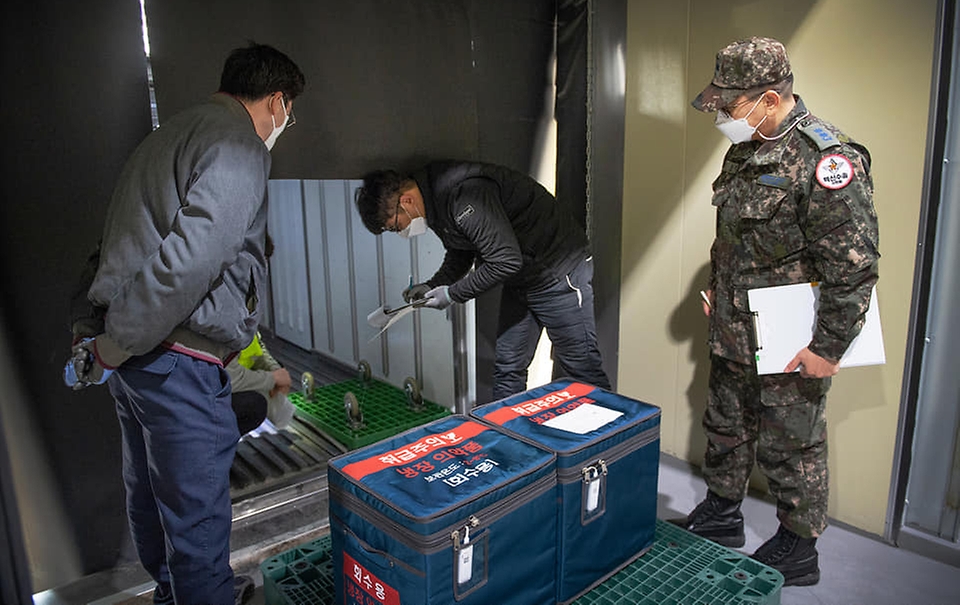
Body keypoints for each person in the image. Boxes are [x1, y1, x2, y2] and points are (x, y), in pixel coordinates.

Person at [64, 42, 304, 604]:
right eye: (288, 111)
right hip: (176, 356)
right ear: (276, 102)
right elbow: (195, 258)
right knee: (196, 519)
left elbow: (112, 247)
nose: (285, 123)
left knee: (150, 494)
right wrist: (119, 340)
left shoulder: (167, 135)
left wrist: (107, 342)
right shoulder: (238, 145)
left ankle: (176, 595)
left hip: (139, 361)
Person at [673, 37, 880, 587]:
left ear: (769, 98)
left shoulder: (827, 160)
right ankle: (722, 514)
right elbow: (733, 239)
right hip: (734, 326)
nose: (720, 112)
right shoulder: (745, 150)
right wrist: (718, 289)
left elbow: (852, 267)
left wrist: (828, 349)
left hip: (792, 334)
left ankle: (797, 547)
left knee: (792, 441)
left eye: (730, 103)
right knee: (727, 424)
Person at [354, 160, 610, 400]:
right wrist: (432, 285)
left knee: (582, 370)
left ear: (406, 201)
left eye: (396, 227)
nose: (402, 233)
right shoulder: (434, 201)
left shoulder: (465, 195)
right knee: (508, 367)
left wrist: (452, 294)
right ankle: (507, 437)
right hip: (521, 277)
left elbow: (505, 260)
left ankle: (613, 443)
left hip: (558, 272)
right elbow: (462, 249)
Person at [226, 331, 293, 434]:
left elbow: (258, 347)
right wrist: (272, 379)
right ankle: (220, 443)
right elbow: (230, 379)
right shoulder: (221, 327)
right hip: (210, 394)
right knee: (255, 405)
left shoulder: (246, 321)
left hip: (238, 377)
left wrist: (275, 370)